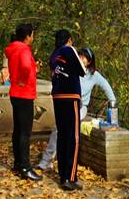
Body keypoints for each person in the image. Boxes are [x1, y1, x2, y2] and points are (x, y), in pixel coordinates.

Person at [38, 46, 116, 172]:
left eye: (85, 57)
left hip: (81, 107)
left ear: (89, 61)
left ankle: (50, 161)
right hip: (67, 104)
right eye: (80, 55)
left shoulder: (93, 75)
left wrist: (113, 103)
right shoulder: (72, 68)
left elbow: (106, 86)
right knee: (58, 128)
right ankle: (48, 160)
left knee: (62, 129)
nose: (81, 58)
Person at [4, 23, 43, 181]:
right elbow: (25, 66)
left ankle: (18, 164)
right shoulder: (24, 49)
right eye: (32, 34)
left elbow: (24, 66)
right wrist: (22, 80)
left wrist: (33, 69)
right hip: (24, 94)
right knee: (25, 132)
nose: (33, 37)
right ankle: (26, 168)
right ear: (27, 36)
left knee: (18, 130)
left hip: (15, 94)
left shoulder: (14, 48)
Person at [48, 29, 86, 191]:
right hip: (71, 97)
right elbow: (82, 71)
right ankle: (70, 177)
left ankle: (63, 175)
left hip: (57, 97)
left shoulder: (54, 55)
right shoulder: (69, 50)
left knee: (63, 136)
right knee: (74, 138)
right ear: (69, 40)